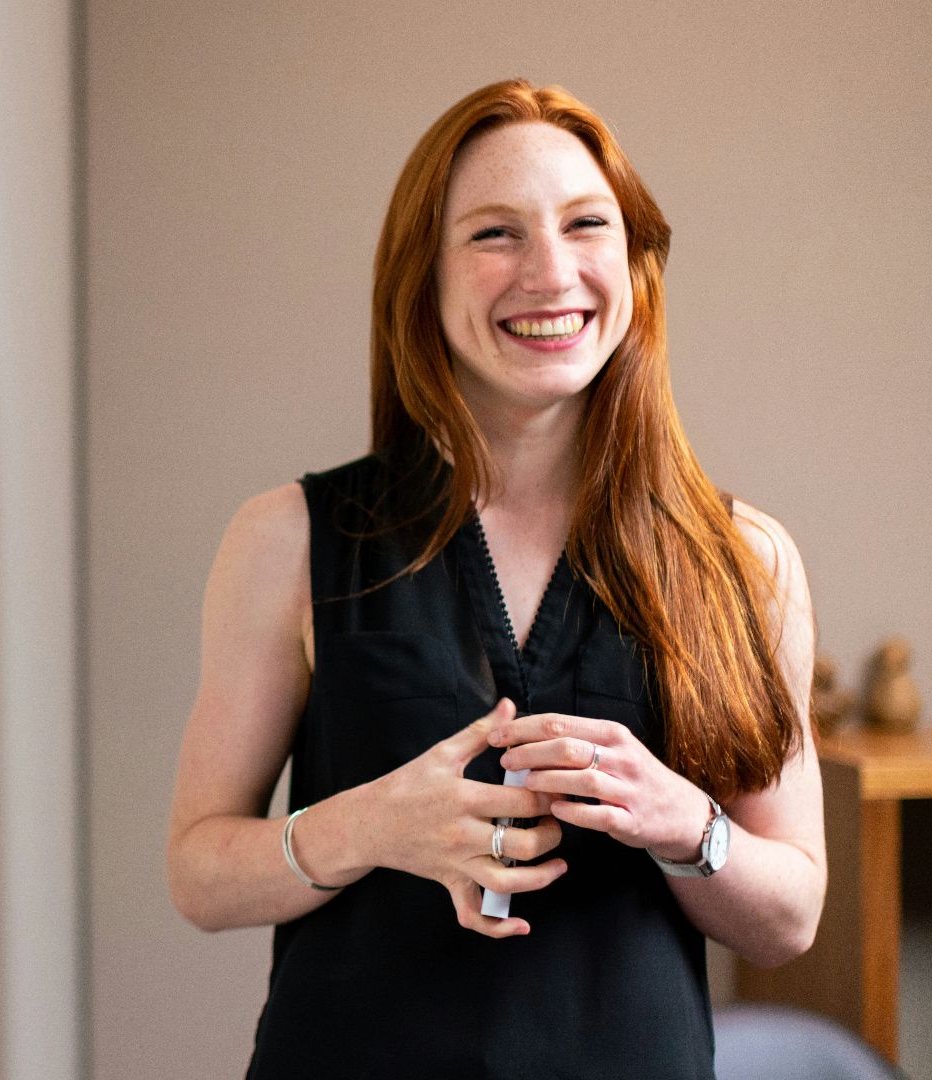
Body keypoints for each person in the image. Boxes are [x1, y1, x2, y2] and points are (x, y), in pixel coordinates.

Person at [166, 79, 825, 1079]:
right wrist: (368, 827)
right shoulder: (288, 540)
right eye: (494, 235)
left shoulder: (746, 560)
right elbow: (199, 874)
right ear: (421, 278)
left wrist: (684, 823)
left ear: (637, 265)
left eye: (585, 225)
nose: (549, 271)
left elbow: (792, 917)